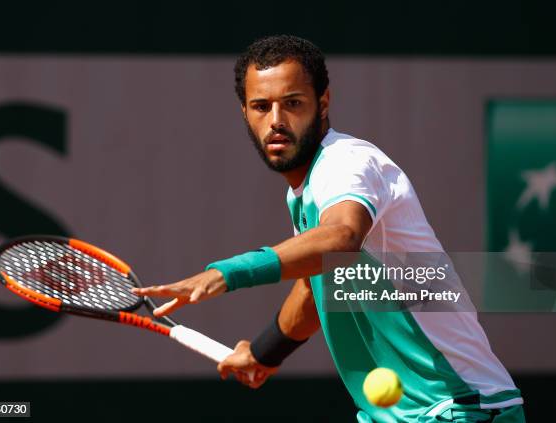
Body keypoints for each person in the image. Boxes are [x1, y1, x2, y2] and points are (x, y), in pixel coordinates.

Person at [132, 35, 525, 422]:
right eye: (261, 106)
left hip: (460, 408)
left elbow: (342, 238)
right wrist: (264, 353)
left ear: (323, 103)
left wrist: (227, 273)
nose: (276, 121)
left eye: (293, 104)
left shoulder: (346, 163)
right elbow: (315, 285)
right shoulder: (305, 191)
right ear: (245, 113)